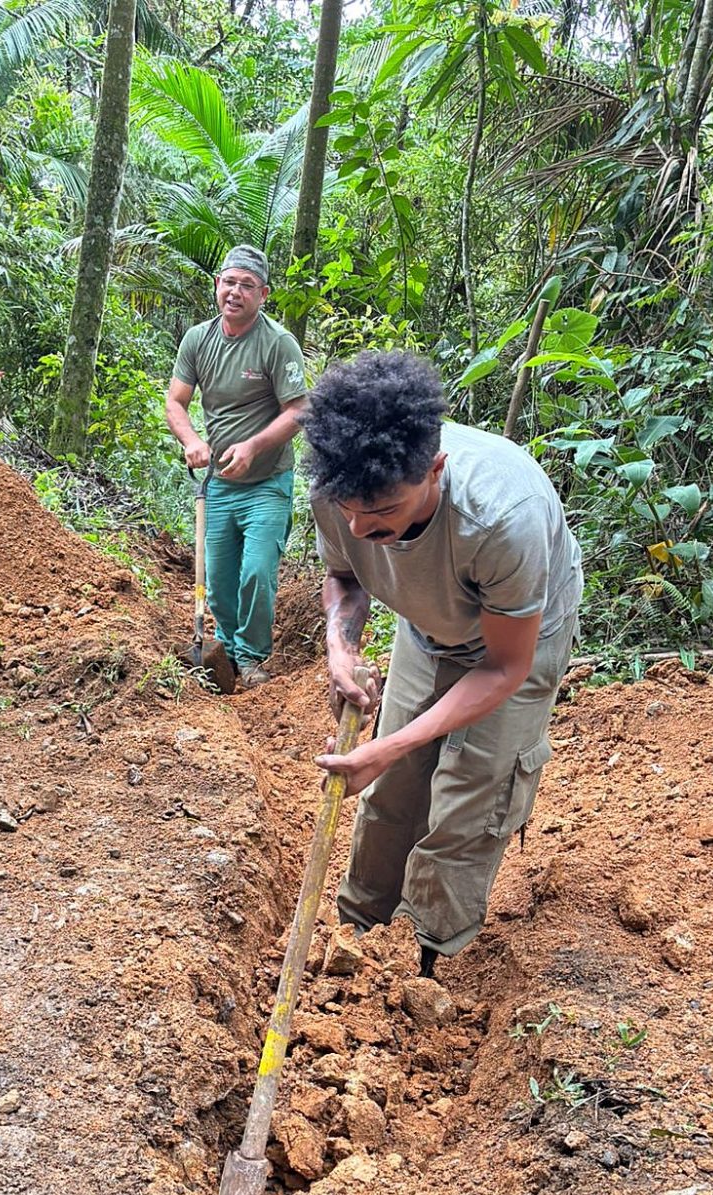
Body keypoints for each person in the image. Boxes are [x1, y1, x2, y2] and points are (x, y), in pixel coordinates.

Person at [302, 350, 583, 979]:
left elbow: (504, 666)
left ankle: (425, 962)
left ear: (434, 470)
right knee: (392, 791)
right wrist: (340, 648)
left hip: (517, 642)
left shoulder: (500, 520)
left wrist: (394, 742)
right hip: (429, 624)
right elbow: (344, 579)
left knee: (467, 799)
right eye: (350, 510)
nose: (360, 525)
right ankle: (358, 938)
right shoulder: (338, 491)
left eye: (381, 515)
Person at [166, 244, 308, 688]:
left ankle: (250, 658)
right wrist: (191, 439)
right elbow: (175, 400)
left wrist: (252, 446)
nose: (235, 292)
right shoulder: (198, 340)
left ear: (263, 294)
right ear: (217, 285)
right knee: (220, 579)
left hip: (267, 482)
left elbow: (298, 410)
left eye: (247, 285)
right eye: (229, 282)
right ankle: (224, 650)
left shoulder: (277, 342)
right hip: (219, 484)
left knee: (257, 573)